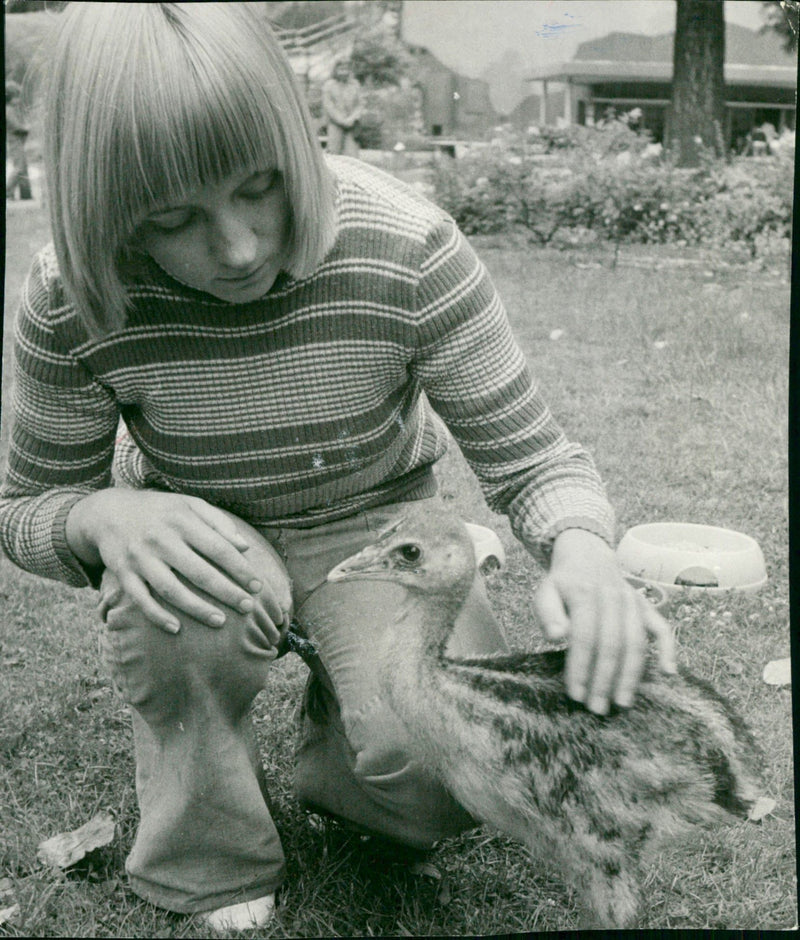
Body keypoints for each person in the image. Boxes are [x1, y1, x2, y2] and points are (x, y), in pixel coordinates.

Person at [0, 3, 676, 932]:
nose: (238, 247)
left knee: (441, 760)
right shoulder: (73, 299)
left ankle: (346, 754)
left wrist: (584, 548)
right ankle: (211, 853)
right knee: (172, 624)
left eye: (263, 185)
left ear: (299, 137)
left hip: (378, 527)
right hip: (203, 534)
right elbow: (28, 506)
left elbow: (533, 458)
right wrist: (103, 519)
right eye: (171, 218)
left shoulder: (406, 247)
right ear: (102, 208)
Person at [321, 58, 363, 157]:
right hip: (335, 124)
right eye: (341, 69)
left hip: (351, 125)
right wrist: (342, 120)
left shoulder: (355, 85)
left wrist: (351, 119)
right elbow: (328, 105)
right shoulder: (329, 86)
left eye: (346, 69)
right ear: (335, 70)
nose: (344, 72)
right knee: (334, 154)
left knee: (353, 155)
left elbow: (360, 104)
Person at [5, 80, 32, 200]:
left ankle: (26, 195)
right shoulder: (8, 111)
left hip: (18, 142)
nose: (18, 100)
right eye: (16, 97)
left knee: (23, 167)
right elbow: (16, 127)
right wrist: (26, 127)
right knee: (19, 168)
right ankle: (7, 191)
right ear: (10, 97)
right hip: (14, 142)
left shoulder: (11, 110)